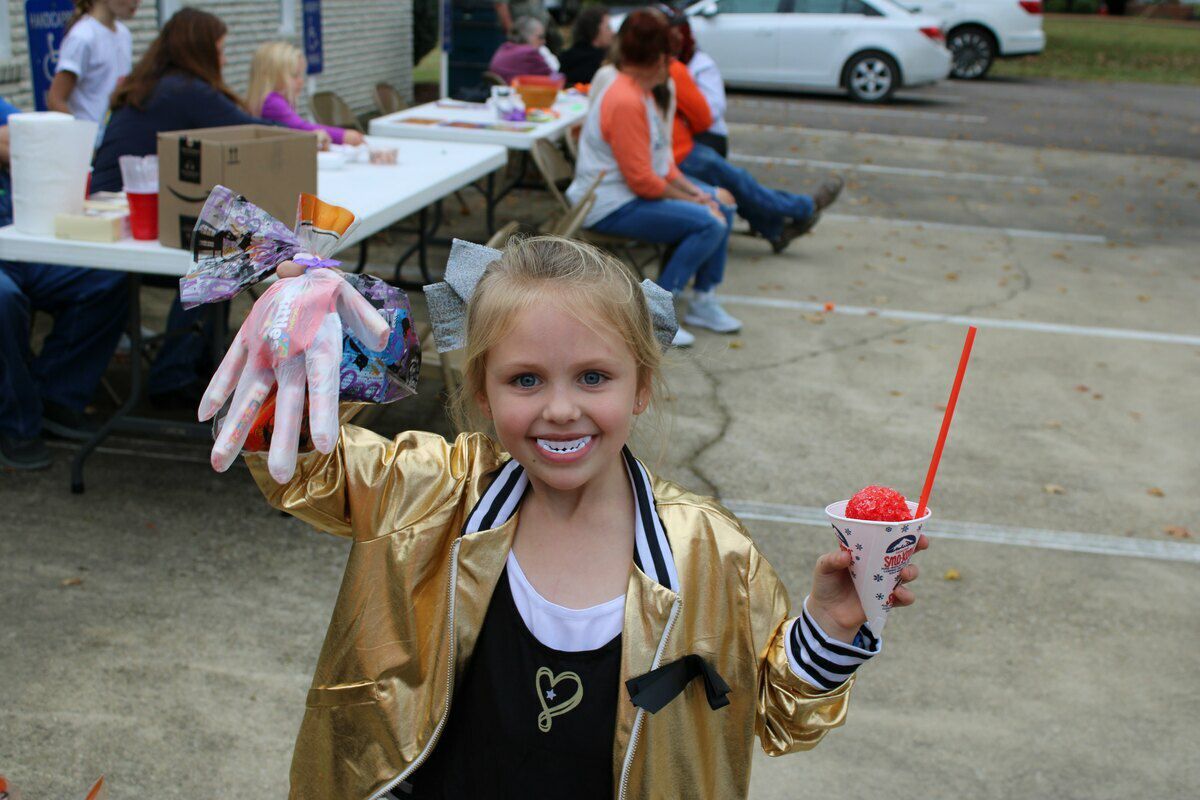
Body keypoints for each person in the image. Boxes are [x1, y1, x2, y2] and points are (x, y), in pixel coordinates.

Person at [202, 234, 928, 799]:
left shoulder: (710, 550)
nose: (559, 408)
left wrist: (831, 628)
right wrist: (301, 345)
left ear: (642, 385)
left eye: (593, 377)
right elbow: (302, 459)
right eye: (524, 379)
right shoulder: (426, 493)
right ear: (482, 391)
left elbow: (776, 712)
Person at [90, 7, 267, 408]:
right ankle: (175, 374)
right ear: (201, 49)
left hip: (109, 207)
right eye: (220, 49)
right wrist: (323, 137)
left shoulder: (156, 84)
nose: (224, 59)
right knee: (219, 252)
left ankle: (196, 361)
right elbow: (254, 132)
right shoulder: (187, 90)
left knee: (221, 246)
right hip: (130, 218)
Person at [566, 10, 737, 348]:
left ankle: (703, 300)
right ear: (660, 59)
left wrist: (696, 194)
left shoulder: (640, 93)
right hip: (609, 205)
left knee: (720, 208)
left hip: (626, 196)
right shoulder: (628, 99)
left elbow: (663, 164)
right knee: (710, 222)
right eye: (671, 58)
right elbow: (643, 181)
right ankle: (656, 316)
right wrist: (697, 202)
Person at [0, 97, 128, 468]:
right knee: (3, 300)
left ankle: (56, 395)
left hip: (22, 236)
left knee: (106, 276)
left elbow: (39, 139)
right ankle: (17, 423)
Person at [666, 17, 843, 255]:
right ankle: (802, 209)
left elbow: (708, 113)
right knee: (735, 185)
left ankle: (777, 228)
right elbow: (704, 116)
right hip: (675, 153)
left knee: (735, 185)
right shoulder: (669, 69)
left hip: (681, 147)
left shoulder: (687, 64)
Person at [46, 0, 138, 139]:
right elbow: (56, 99)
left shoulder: (124, 34)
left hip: (116, 139)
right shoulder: (82, 37)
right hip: (92, 146)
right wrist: (82, 140)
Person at [246, 41, 364, 147]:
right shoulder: (272, 102)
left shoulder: (267, 100)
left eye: (300, 75)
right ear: (272, 77)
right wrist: (343, 136)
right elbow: (301, 128)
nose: (301, 81)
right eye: (294, 75)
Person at [488, 16, 561, 84]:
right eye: (540, 37)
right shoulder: (529, 53)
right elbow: (554, 79)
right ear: (527, 36)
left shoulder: (504, 47)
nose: (544, 41)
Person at [559, 5, 612, 86]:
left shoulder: (566, 57)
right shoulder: (601, 63)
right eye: (608, 27)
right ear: (595, 30)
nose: (612, 32)